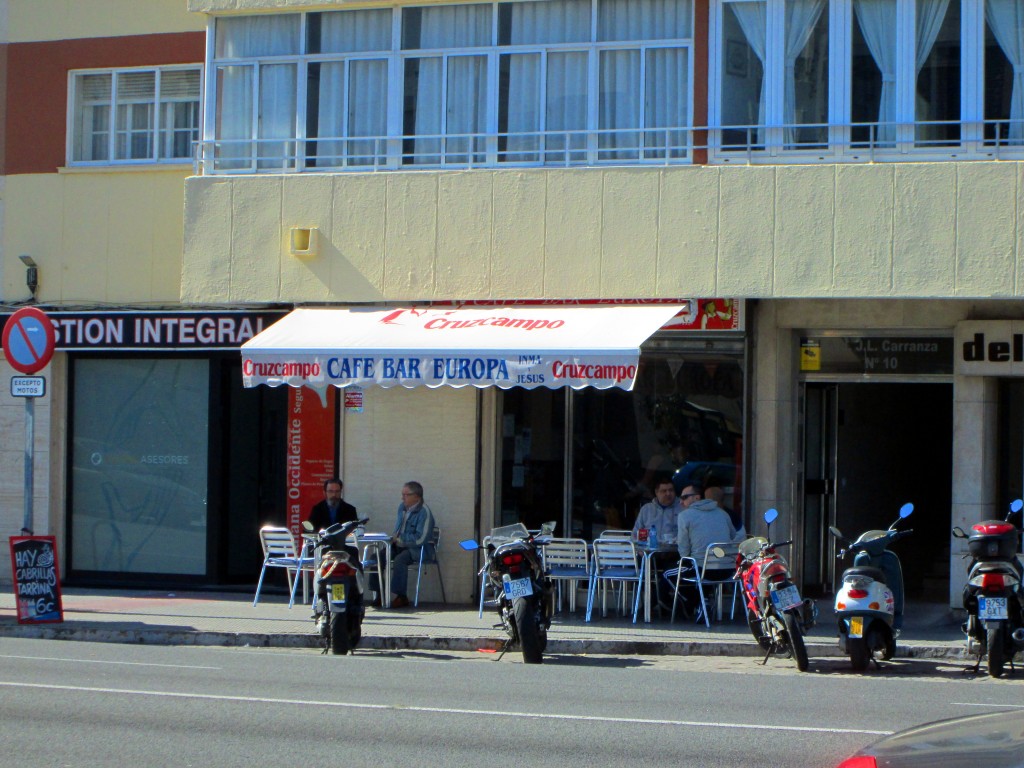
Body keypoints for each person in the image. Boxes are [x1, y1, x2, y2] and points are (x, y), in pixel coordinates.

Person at [673, 484, 738, 616]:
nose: (681, 501)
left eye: (684, 497)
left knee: (667, 575)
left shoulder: (685, 516)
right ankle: (704, 601)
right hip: (727, 570)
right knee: (696, 570)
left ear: (697, 497)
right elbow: (732, 535)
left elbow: (684, 552)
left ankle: (697, 603)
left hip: (702, 570)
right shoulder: (723, 513)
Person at [632, 478, 682, 608]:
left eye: (671, 490)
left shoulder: (682, 508)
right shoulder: (646, 509)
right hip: (649, 554)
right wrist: (639, 549)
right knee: (637, 568)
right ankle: (659, 599)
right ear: (656, 492)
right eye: (664, 491)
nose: (668, 494)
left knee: (672, 570)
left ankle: (653, 601)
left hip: (674, 554)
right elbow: (635, 533)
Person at [388, 481, 435, 608]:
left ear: (417, 496)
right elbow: (397, 529)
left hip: (418, 549)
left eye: (406, 495)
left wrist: (401, 539)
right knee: (378, 557)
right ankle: (378, 594)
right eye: (402, 494)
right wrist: (393, 539)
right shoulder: (402, 507)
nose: (402, 497)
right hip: (399, 545)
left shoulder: (425, 512)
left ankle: (401, 596)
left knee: (400, 560)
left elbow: (421, 539)